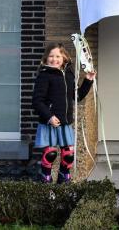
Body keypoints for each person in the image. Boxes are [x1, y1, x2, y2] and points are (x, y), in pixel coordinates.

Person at [32, 42, 95, 184]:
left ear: (64, 57)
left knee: (68, 155)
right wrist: (49, 117)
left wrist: (88, 80)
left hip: (65, 123)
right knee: (50, 154)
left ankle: (63, 178)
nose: (54, 59)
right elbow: (37, 102)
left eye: (58, 56)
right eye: (51, 56)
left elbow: (77, 97)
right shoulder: (44, 75)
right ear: (46, 58)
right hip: (50, 123)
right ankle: (45, 179)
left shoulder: (69, 74)